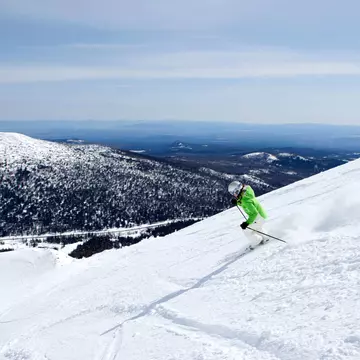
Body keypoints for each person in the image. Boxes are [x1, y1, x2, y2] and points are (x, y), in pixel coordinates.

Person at [228, 181, 268, 248]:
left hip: (258, 217)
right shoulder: (246, 193)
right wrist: (237, 202)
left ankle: (257, 241)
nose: (233, 195)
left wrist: (247, 223)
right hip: (261, 215)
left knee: (246, 229)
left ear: (237, 191)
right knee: (257, 227)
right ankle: (265, 237)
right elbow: (244, 201)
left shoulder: (245, 200)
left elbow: (254, 213)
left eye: (233, 193)